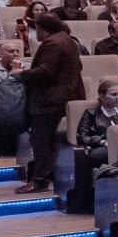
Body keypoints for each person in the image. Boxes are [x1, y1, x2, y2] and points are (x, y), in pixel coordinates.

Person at [20, 13, 85, 195]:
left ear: (43, 28)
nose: (36, 32)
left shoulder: (52, 43)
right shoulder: (66, 39)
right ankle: (46, 175)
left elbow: (45, 71)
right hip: (66, 96)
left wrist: (21, 74)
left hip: (49, 100)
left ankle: (39, 179)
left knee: (40, 140)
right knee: (49, 140)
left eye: (36, 28)